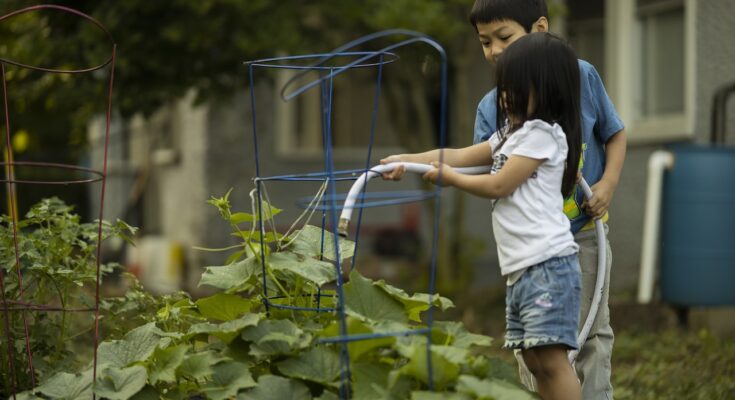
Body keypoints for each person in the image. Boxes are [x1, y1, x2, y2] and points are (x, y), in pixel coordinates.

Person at [382, 32, 583, 400]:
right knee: (535, 360)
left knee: (552, 360)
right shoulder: (508, 135)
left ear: (547, 88)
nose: (505, 96)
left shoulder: (543, 135)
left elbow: (498, 185)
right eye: (503, 87)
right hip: (521, 269)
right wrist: (406, 161)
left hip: (547, 266)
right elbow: (455, 154)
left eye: (515, 87)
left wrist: (450, 179)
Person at [468, 1, 626, 399]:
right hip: (531, 250)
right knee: (536, 344)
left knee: (587, 334)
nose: (494, 50)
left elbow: (615, 133)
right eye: (485, 42)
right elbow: (490, 171)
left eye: (504, 37)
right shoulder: (493, 106)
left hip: (583, 234)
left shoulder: (581, 76)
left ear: (540, 28)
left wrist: (606, 184)